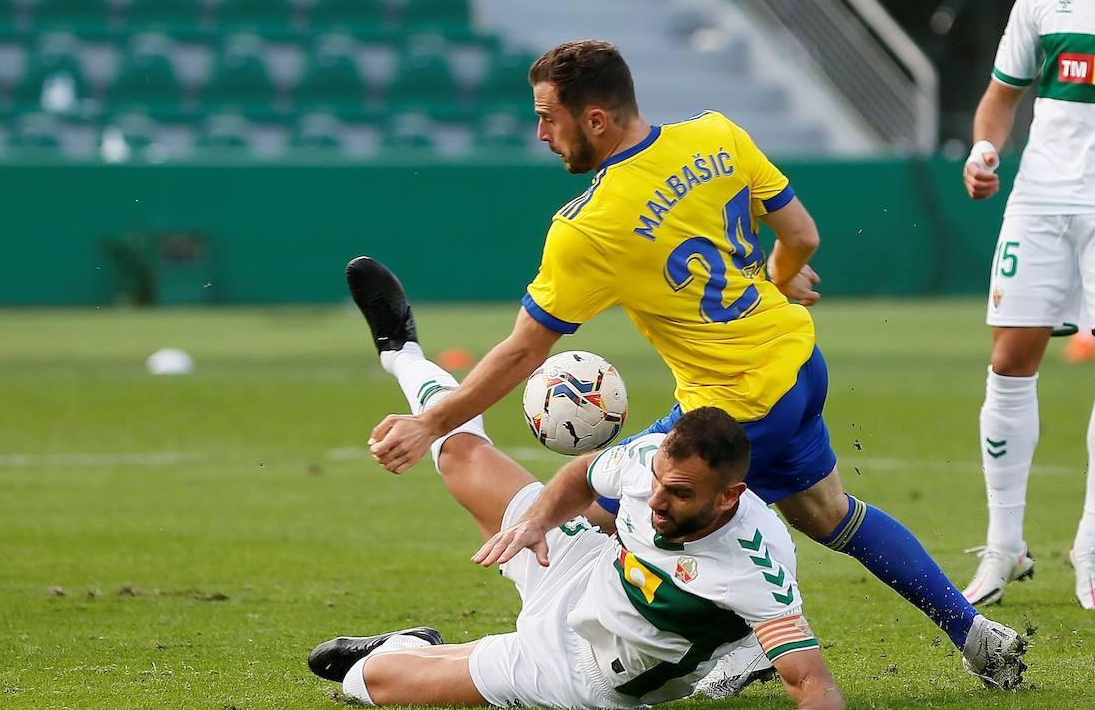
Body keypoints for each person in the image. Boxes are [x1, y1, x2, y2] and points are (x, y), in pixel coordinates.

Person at [366, 40, 1026, 688]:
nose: (540, 132)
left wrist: (432, 424)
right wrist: (777, 276)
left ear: (593, 118)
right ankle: (973, 634)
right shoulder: (716, 134)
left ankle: (740, 645)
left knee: (599, 517)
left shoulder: (589, 225)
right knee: (829, 514)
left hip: (735, 406)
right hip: (796, 364)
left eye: (547, 115)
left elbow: (523, 351)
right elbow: (802, 236)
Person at [309, 266, 844, 708]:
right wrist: (537, 524)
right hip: (581, 569)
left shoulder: (755, 567)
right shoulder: (644, 463)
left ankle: (408, 646)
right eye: (659, 481)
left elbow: (811, 683)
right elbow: (582, 473)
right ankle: (401, 351)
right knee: (459, 453)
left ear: (730, 495)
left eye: (680, 494)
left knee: (368, 681)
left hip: (577, 671)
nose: (656, 500)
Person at [960, 0, 1095, 609]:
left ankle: (1091, 544)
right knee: (1010, 362)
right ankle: (1005, 544)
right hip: (1040, 202)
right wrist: (985, 150)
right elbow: (999, 100)